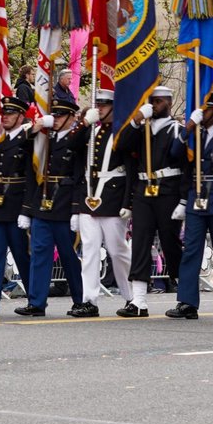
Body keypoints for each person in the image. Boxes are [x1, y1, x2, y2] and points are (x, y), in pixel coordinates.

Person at [170, 93, 213, 320]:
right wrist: (187, 127)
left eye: (207, 110)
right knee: (191, 251)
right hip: (196, 199)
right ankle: (187, 302)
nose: (202, 113)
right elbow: (174, 154)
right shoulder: (193, 136)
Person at [73, 90, 140, 314]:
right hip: (88, 196)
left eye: (103, 105)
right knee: (90, 250)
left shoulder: (121, 132)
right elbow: (71, 148)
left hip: (113, 197)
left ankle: (132, 296)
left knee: (117, 249)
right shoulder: (90, 130)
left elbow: (131, 170)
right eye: (97, 104)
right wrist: (84, 123)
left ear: (114, 107)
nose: (99, 108)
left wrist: (128, 202)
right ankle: (89, 300)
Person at [120, 88, 186, 307]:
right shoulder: (142, 129)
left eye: (158, 102)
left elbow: (186, 166)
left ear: (168, 102)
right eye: (152, 101)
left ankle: (185, 293)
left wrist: (184, 200)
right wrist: (136, 120)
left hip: (168, 189)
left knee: (170, 241)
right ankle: (138, 300)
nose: (154, 105)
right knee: (140, 241)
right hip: (143, 191)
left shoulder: (177, 129)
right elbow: (121, 146)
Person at [23, 101, 86, 316]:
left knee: (69, 255)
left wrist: (77, 209)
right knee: (40, 254)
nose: (56, 119)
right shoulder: (44, 139)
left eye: (60, 116)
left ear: (71, 117)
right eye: (54, 116)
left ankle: (80, 299)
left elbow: (79, 177)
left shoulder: (76, 140)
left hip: (65, 204)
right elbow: (23, 149)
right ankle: (36, 302)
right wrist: (37, 128)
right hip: (43, 202)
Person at [0, 96, 33, 312]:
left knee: (22, 256)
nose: (6, 117)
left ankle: (35, 299)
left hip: (17, 204)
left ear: (21, 116)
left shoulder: (28, 138)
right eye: (4, 113)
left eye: (11, 113)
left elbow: (32, 176)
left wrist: (26, 209)